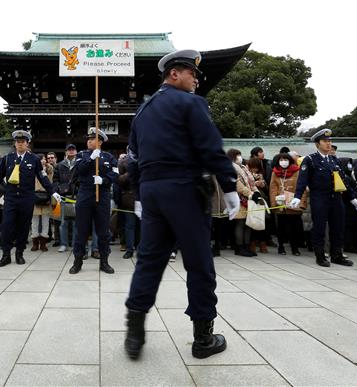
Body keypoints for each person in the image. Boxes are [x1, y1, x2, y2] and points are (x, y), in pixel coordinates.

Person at [124, 49, 239, 360]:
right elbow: (210, 147)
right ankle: (203, 339)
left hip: (152, 192)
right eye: (193, 74)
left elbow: (132, 159)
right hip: (184, 189)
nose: (197, 81)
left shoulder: (142, 112)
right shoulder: (190, 103)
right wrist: (229, 186)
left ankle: (134, 332)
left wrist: (139, 195)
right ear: (174, 74)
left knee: (149, 260)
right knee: (199, 263)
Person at [0, 130, 60, 267]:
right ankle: (6, 255)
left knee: (23, 227)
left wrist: (52, 192)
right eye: (18, 142)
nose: (20, 144)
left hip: (26, 199)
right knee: (6, 227)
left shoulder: (34, 159)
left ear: (27, 143)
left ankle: (19, 253)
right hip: (11, 198)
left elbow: (42, 177)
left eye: (23, 142)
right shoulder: (7, 158)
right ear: (15, 143)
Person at [291, 129, 357, 266]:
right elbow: (302, 180)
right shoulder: (310, 159)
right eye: (325, 141)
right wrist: (297, 196)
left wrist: (352, 198)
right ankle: (320, 256)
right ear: (317, 144)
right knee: (319, 228)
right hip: (320, 198)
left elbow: (344, 181)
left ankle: (337, 255)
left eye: (330, 141)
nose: (328, 144)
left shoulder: (333, 160)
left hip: (336, 199)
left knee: (338, 227)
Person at [68, 128, 118, 275]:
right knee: (81, 230)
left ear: (100, 142)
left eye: (93, 139)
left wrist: (104, 180)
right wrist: (90, 159)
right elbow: (77, 172)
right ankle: (77, 261)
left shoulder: (109, 157)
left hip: (102, 195)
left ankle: (104, 261)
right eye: (88, 139)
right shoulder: (82, 155)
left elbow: (115, 175)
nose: (89, 141)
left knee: (103, 231)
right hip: (85, 194)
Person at [269, 153, 307, 255]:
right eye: (281, 160)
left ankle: (295, 248)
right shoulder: (275, 172)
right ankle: (281, 247)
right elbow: (273, 188)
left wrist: (301, 202)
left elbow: (302, 187)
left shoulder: (297, 171)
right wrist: (274, 203)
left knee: (295, 228)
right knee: (281, 227)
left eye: (285, 159)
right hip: (280, 203)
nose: (283, 162)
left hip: (293, 203)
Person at [228, 148, 261, 257]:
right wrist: (250, 194)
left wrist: (256, 192)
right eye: (238, 155)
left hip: (248, 198)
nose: (240, 157)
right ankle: (239, 247)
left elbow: (251, 182)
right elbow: (237, 184)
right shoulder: (231, 167)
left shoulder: (243, 167)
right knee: (240, 223)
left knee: (248, 223)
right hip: (239, 198)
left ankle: (246, 246)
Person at [30, 153, 54, 252]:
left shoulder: (48, 170)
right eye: (40, 159)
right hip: (34, 196)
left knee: (45, 221)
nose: (42, 160)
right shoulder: (32, 169)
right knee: (34, 221)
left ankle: (43, 243)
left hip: (45, 197)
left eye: (43, 159)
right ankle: (35, 242)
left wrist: (44, 165)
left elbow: (51, 170)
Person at [117, 150, 139, 259]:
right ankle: (129, 249)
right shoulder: (123, 162)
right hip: (129, 198)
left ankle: (140, 248)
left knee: (142, 226)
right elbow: (119, 180)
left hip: (143, 197)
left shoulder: (146, 159)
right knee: (129, 225)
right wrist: (130, 173)